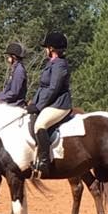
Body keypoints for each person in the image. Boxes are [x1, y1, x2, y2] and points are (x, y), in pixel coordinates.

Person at [25, 31, 72, 176]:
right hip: (49, 103)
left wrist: (39, 107)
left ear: (51, 49)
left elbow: (53, 89)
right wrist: (33, 102)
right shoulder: (51, 64)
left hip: (59, 104)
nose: (45, 50)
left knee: (40, 125)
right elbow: (42, 87)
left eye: (46, 47)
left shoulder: (60, 65)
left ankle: (44, 161)